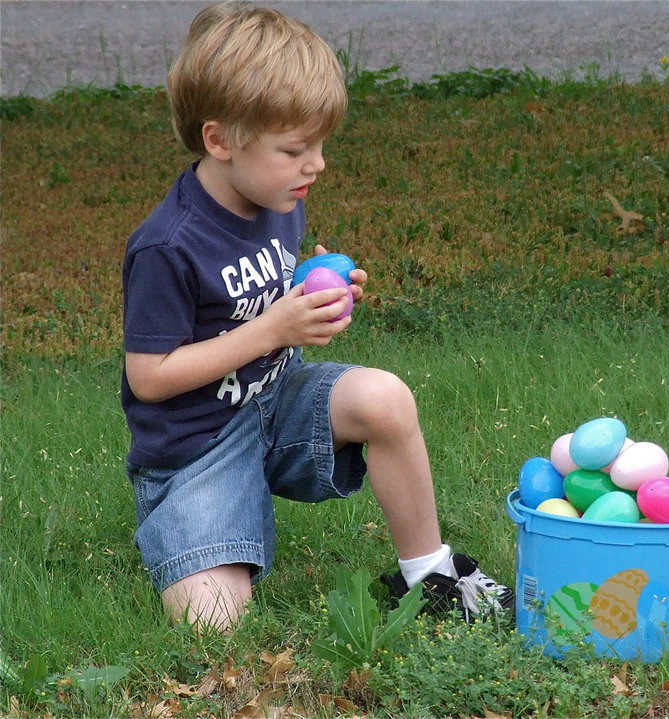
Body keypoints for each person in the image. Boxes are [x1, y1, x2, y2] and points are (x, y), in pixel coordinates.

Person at [121, 0, 512, 632]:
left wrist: (320, 293)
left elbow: (265, 290)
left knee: (384, 397)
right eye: (296, 148)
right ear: (219, 140)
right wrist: (273, 328)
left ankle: (431, 573)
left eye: (321, 144)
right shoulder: (168, 246)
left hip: (276, 403)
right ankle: (199, 527)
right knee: (212, 625)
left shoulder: (275, 197)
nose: (317, 165)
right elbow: (150, 377)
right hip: (196, 449)